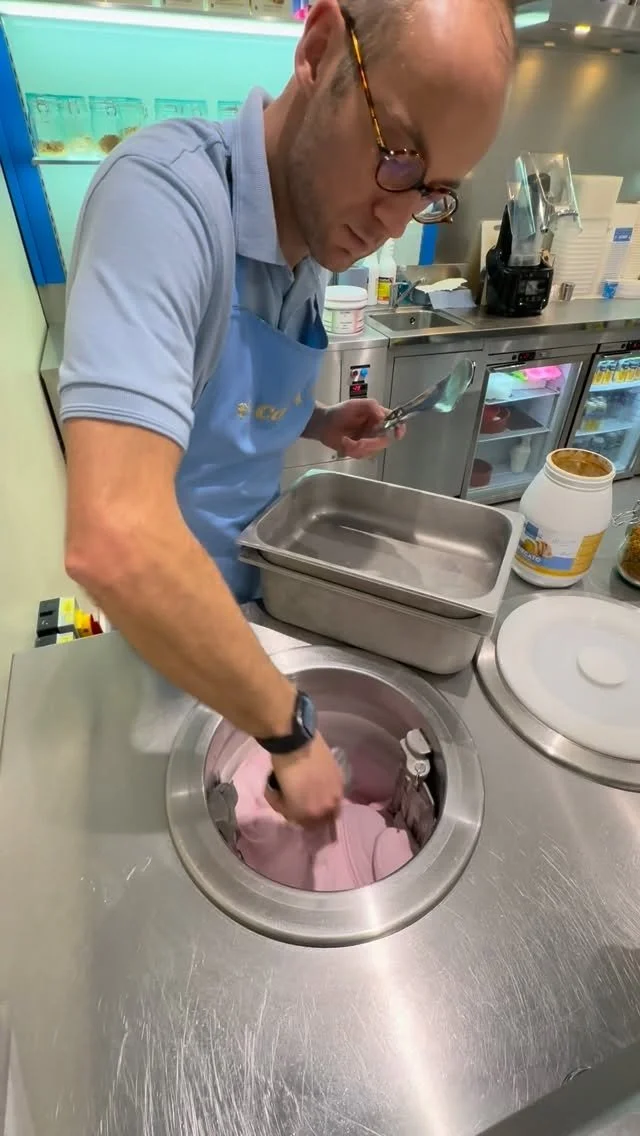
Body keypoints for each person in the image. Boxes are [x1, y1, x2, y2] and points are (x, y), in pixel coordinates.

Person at [60, 0, 515, 827]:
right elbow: (115, 538)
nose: (393, 221)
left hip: (257, 599)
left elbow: (226, 400)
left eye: (433, 192)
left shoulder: (307, 243)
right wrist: (292, 731)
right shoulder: (161, 203)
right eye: (397, 155)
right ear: (318, 48)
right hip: (166, 635)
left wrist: (319, 422)